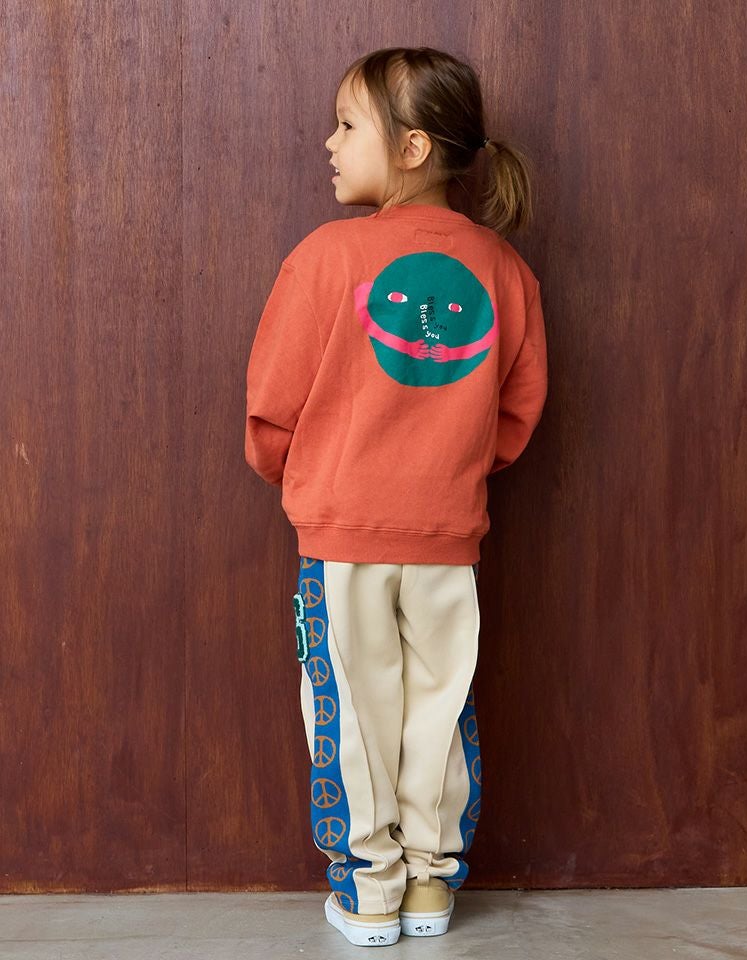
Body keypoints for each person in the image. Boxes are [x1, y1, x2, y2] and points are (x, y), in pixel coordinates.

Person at [244, 45, 548, 948]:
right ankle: (429, 886)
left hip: (342, 539)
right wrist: (445, 469)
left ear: (412, 148)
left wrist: (309, 480)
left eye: (347, 125)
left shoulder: (324, 259)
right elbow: (517, 414)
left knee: (352, 710)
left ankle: (369, 889)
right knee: (439, 710)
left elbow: (271, 407)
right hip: (449, 539)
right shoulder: (504, 270)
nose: (328, 143)